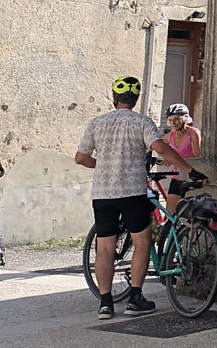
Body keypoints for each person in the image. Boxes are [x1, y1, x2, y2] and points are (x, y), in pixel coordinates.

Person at [76, 76, 205, 320]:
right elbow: (161, 148)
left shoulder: (97, 123)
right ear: (135, 99)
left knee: (105, 247)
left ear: (114, 98)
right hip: (133, 191)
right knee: (142, 242)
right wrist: (189, 169)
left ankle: (105, 304)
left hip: (103, 194)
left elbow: (81, 158)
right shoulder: (141, 122)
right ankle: (135, 297)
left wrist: (104, 165)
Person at [161, 104, 202, 219]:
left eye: (176, 120)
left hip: (190, 176)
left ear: (185, 118)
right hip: (176, 177)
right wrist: (166, 158)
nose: (173, 123)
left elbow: (197, 155)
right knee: (170, 214)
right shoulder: (170, 136)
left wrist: (175, 158)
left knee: (188, 213)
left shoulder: (193, 133)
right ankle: (172, 235)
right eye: (170, 120)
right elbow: (159, 147)